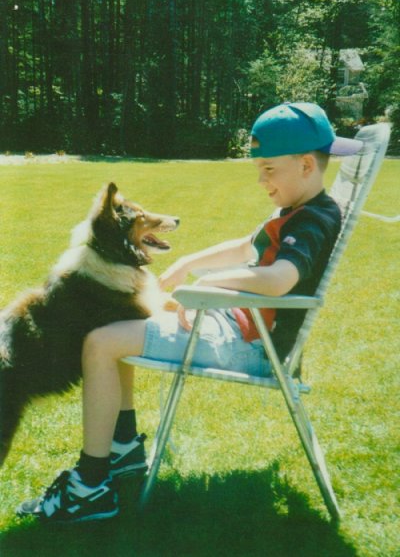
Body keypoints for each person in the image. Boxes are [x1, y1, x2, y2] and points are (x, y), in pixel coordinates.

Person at [17, 102, 363, 522]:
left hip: (254, 346)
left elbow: (278, 280)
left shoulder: (312, 221)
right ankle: (123, 448)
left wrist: (205, 287)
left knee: (101, 342)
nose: (261, 180)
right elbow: (245, 246)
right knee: (116, 325)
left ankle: (89, 487)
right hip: (238, 324)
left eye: (269, 169)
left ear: (306, 165)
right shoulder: (296, 210)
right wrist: (187, 264)